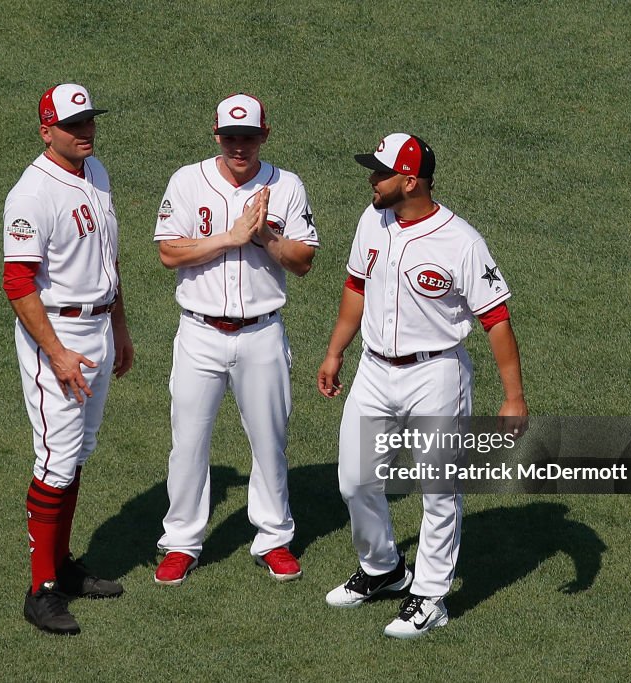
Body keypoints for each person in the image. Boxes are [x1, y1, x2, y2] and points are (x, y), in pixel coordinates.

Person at [317, 133, 528, 639]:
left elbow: (496, 320)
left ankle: (431, 596)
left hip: (435, 374)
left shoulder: (461, 242)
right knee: (355, 479)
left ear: (410, 181)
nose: (371, 179)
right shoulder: (373, 219)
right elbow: (355, 287)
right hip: (373, 368)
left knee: (438, 488)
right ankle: (383, 569)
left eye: (380, 172)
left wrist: (513, 396)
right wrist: (334, 351)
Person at [152, 93, 319, 586]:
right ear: (216, 135)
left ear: (264, 135)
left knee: (270, 441)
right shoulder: (187, 180)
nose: (239, 146)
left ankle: (274, 538)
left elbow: (304, 260)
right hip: (199, 333)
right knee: (188, 443)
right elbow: (168, 252)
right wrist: (231, 236)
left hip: (262, 333)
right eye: (230, 137)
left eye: (248, 137)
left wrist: (263, 235)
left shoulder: (286, 186)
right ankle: (182, 541)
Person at [2, 83, 134, 636]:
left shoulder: (95, 172)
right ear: (46, 131)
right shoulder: (31, 194)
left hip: (100, 326)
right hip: (57, 334)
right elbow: (17, 280)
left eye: (89, 120)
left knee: (78, 452)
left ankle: (61, 566)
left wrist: (121, 327)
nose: (86, 130)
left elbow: (107, 257)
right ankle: (41, 590)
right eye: (73, 124)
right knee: (55, 459)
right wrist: (55, 353)